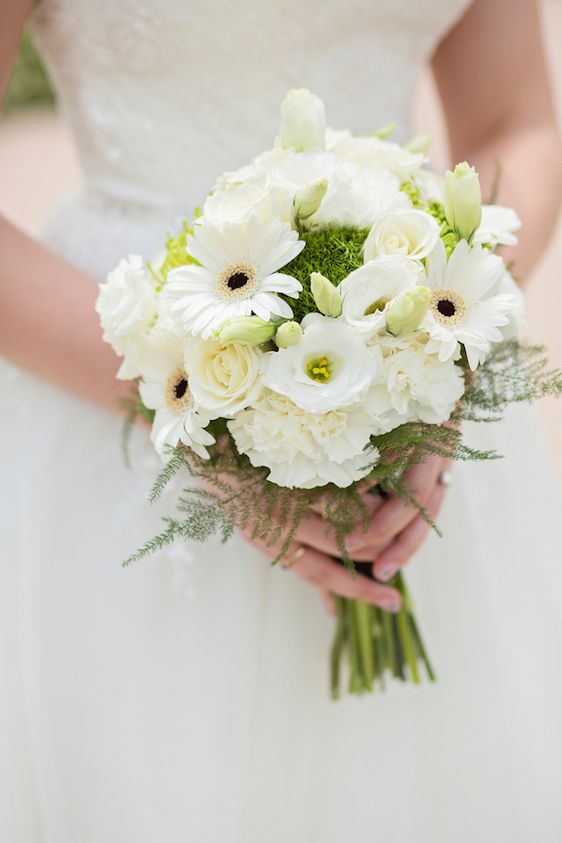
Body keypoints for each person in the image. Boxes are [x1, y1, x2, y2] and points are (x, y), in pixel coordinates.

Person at [1, 0, 561, 840]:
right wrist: (193, 398)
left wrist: (438, 355)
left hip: (419, 400)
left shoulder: (432, 368)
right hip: (115, 393)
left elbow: (516, 119)